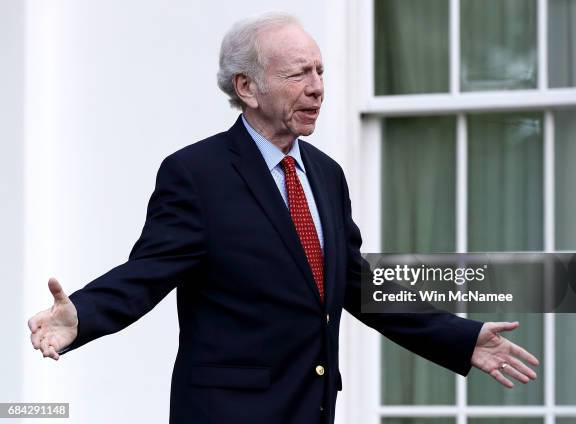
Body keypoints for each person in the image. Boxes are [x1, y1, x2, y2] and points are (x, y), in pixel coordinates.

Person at [27, 12, 539, 424]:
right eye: (298, 74)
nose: (317, 87)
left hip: (311, 408)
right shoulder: (196, 174)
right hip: (228, 413)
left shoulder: (326, 175)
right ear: (247, 87)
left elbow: (355, 285)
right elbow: (147, 273)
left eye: (320, 72)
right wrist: (83, 316)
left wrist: (460, 337)